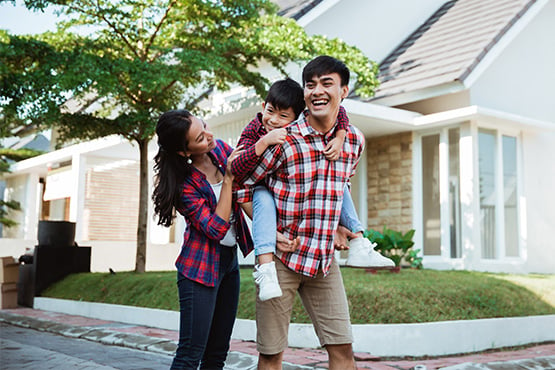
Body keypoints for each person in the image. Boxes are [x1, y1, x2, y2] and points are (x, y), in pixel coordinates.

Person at [235, 56, 370, 369]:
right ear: (305, 93)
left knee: (343, 351)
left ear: (344, 90)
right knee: (271, 355)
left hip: (323, 260)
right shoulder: (284, 139)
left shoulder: (352, 140)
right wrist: (270, 234)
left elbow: (341, 184)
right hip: (281, 261)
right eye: (311, 85)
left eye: (327, 83)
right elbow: (243, 183)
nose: (317, 91)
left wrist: (340, 225)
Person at [231, 78, 393, 302]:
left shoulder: (295, 133)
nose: (274, 120)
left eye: (283, 116)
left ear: (297, 117)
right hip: (259, 189)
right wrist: (264, 141)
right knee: (265, 200)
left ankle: (358, 240)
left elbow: (342, 113)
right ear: (263, 107)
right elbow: (237, 171)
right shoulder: (256, 128)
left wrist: (340, 136)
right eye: (270, 111)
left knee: (340, 182)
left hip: (302, 222)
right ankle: (266, 269)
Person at [151, 109, 253, 369]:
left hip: (229, 263)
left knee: (218, 352)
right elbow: (217, 228)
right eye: (199, 138)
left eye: (204, 127)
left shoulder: (218, 150)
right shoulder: (185, 186)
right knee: (190, 354)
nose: (209, 136)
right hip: (199, 270)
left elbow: (248, 169)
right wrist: (228, 180)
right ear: (184, 152)